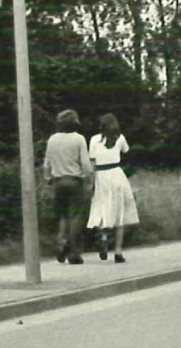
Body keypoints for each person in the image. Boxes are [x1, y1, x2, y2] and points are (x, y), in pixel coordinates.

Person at [42, 109, 94, 264]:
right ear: (74, 122)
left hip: (58, 182)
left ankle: (61, 243)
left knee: (63, 215)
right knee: (76, 216)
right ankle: (73, 252)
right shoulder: (79, 139)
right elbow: (85, 163)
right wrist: (89, 178)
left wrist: (48, 177)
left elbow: (46, 164)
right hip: (74, 181)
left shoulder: (52, 139)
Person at [86, 113, 139, 262]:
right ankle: (118, 250)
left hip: (101, 175)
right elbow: (127, 153)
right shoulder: (120, 138)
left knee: (100, 207)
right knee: (120, 212)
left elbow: (92, 163)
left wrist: (92, 182)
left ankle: (102, 235)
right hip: (116, 174)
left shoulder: (94, 140)